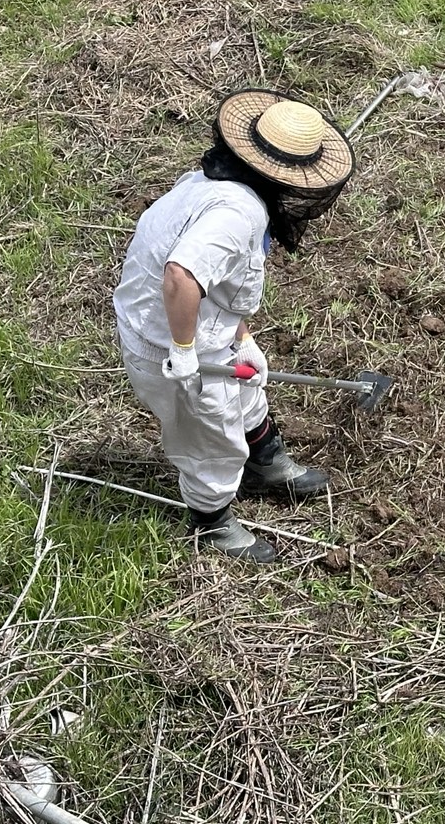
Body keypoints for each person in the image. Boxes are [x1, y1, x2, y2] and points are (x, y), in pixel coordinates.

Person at [114, 89, 355, 561]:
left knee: (247, 391)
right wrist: (184, 351)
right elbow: (181, 275)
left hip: (203, 329)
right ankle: (212, 521)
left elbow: (222, 282)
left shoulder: (220, 183)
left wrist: (242, 338)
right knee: (209, 434)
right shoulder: (233, 213)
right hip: (168, 340)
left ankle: (266, 462)